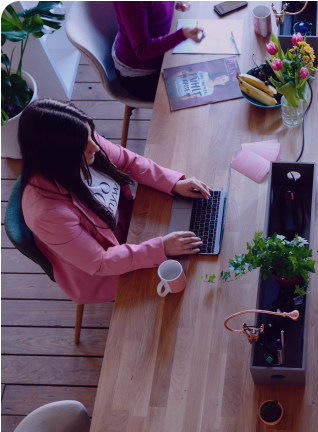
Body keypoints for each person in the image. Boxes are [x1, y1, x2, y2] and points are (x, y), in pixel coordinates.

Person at [19, 99, 211, 305]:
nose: (96, 146)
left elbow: (129, 162)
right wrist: (160, 247)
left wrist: (174, 183)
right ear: (58, 156)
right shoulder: (47, 214)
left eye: (91, 135)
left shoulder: (80, 141)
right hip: (104, 270)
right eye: (85, 145)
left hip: (132, 226)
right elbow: (100, 261)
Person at [112, 1, 205, 102]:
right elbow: (143, 51)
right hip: (141, 75)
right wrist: (181, 35)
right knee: (197, 97)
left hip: (163, 53)